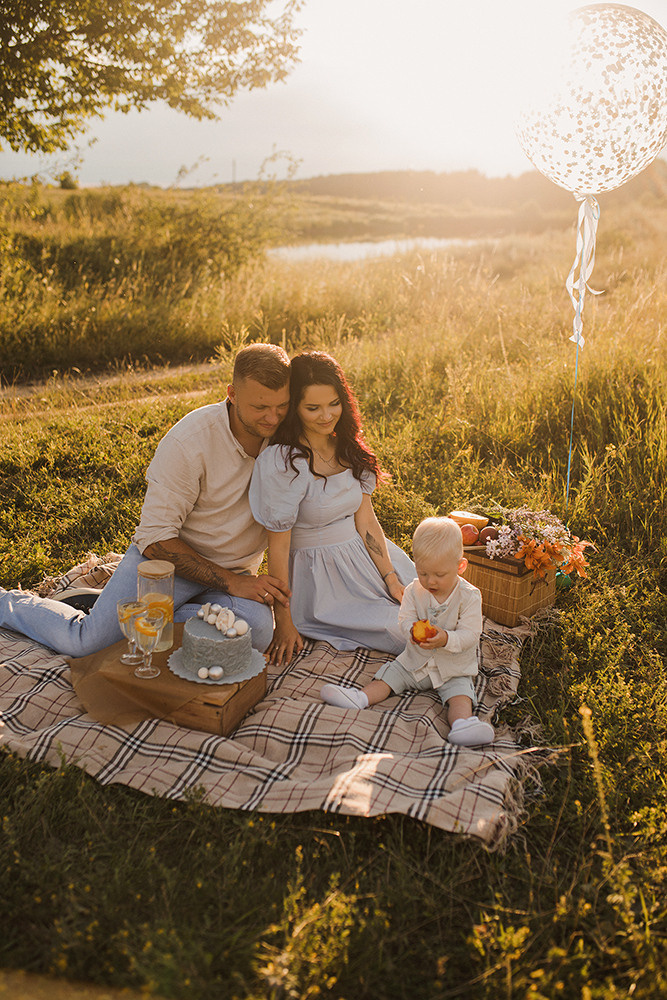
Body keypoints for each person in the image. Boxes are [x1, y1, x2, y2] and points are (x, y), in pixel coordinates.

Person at [0, 343, 292, 657]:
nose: (273, 418)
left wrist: (238, 582)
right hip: (168, 565)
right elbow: (155, 540)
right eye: (260, 407)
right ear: (232, 394)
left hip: (235, 573)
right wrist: (231, 582)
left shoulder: (287, 438)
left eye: (281, 406)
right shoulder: (188, 442)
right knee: (86, 644)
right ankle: (10, 604)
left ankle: (127, 615)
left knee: (258, 632)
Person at [248, 350, 415, 666]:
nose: (326, 415)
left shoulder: (347, 446)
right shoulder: (284, 463)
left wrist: (391, 578)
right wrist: (283, 622)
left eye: (333, 404)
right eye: (313, 408)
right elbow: (278, 549)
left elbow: (366, 521)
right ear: (295, 408)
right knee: (407, 632)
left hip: (367, 560)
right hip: (322, 583)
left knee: (444, 606)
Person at [320, 517, 495, 747]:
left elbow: (471, 635)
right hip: (415, 661)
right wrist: (411, 630)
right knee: (390, 675)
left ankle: (463, 724)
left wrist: (445, 638)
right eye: (423, 573)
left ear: (460, 566)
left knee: (460, 695)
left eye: (439, 575)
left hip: (453, 666)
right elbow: (404, 618)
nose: (430, 581)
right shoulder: (414, 590)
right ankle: (360, 697)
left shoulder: (469, 596)